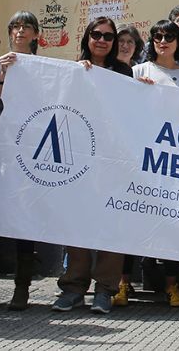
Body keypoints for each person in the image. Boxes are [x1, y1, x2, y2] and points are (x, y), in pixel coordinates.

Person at [53, 17, 132, 315]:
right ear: (87, 38)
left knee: (111, 222)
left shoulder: (124, 71)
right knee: (77, 223)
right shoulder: (74, 70)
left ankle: (105, 290)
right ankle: (73, 287)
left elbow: (132, 109)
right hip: (79, 157)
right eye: (96, 34)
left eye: (108, 37)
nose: (101, 40)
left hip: (112, 158)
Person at [133, 20, 179, 306]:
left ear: (178, 43)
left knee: (173, 226)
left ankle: (172, 286)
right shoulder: (139, 71)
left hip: (175, 162)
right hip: (143, 157)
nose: (163, 41)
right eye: (158, 37)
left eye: (169, 37)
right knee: (135, 220)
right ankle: (125, 283)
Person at [0, 11, 41, 311]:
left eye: (26, 27)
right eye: (15, 26)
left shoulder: (44, 68)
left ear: (36, 35)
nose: (20, 32)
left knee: (24, 226)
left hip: (27, 156)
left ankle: (21, 289)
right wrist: (1, 75)